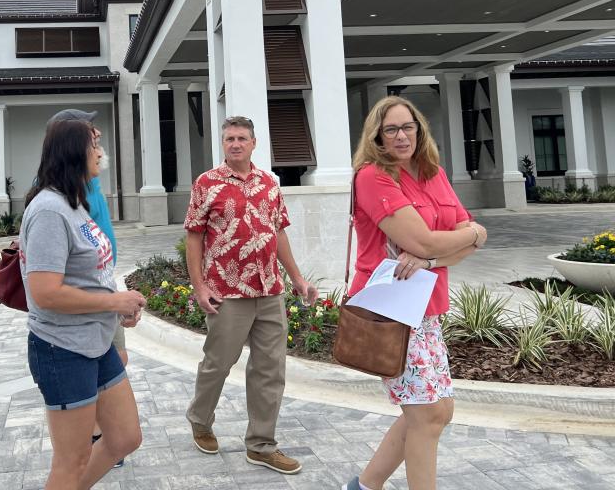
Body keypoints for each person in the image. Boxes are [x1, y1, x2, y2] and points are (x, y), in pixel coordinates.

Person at [344, 96, 488, 490]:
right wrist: (468, 236)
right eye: (390, 129)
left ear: (419, 129)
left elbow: (454, 242)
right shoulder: (373, 177)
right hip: (391, 310)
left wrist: (452, 246)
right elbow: (424, 240)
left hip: (425, 306)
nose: (401, 136)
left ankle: (363, 486)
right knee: (427, 415)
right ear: (377, 137)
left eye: (408, 126)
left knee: (439, 411)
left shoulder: (432, 172)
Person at [183, 115, 318, 475]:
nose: (235, 144)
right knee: (218, 363)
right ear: (223, 144)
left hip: (270, 290)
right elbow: (194, 236)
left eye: (242, 138)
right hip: (227, 293)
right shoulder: (206, 184)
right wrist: (200, 286)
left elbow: (280, 235)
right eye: (229, 138)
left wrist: (298, 279)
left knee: (271, 370)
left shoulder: (269, 184)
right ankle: (200, 419)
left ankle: (261, 444)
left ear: (254, 143)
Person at [19, 119, 145, 489]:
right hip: (63, 350)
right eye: (94, 145)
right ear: (74, 151)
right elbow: (45, 293)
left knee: (124, 438)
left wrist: (118, 305)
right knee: (71, 461)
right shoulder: (49, 211)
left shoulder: (75, 202)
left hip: (95, 342)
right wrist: (112, 303)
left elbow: (89, 272)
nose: (101, 153)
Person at [47, 108, 127, 466]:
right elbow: (46, 290)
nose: (97, 142)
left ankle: (103, 437)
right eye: (89, 136)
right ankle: (95, 435)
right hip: (79, 315)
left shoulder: (88, 182)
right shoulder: (57, 201)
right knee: (71, 461)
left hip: (103, 286)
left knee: (117, 359)